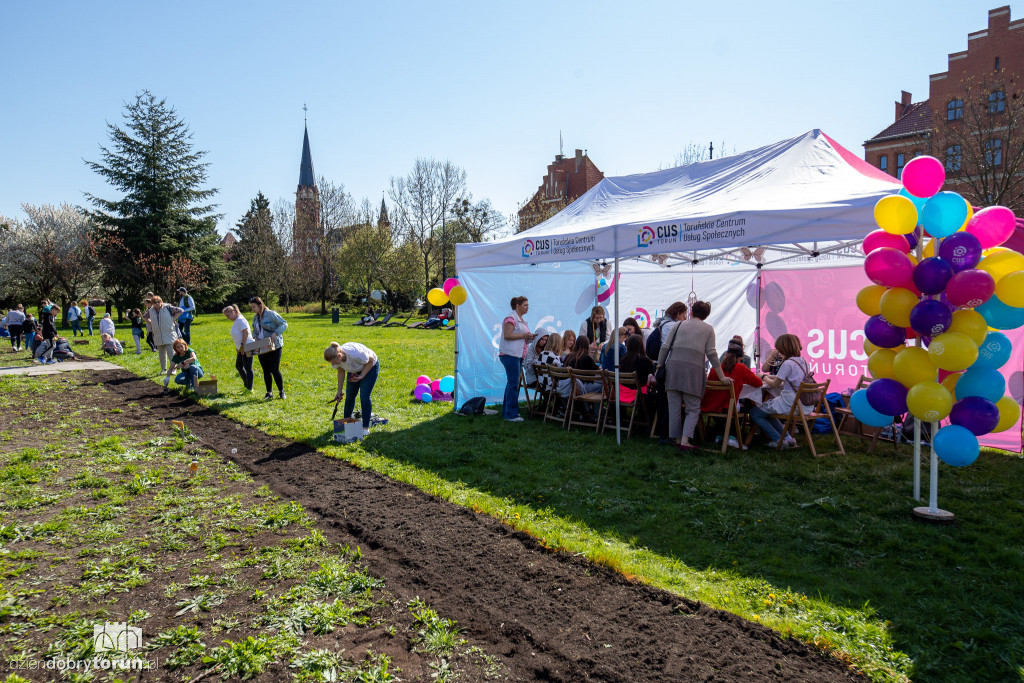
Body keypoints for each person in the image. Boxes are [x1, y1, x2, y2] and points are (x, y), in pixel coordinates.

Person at [656, 300, 729, 451]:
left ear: (691, 311)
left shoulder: (678, 325)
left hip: (673, 369)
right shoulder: (708, 329)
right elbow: (712, 354)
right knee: (693, 408)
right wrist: (721, 376)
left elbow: (664, 347)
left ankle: (675, 438)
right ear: (706, 315)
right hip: (694, 371)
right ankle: (685, 440)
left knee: (674, 406)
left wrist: (659, 366)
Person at [749, 334, 807, 449]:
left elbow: (775, 384)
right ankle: (788, 438)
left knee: (755, 413)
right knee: (768, 413)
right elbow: (780, 378)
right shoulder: (803, 362)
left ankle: (778, 440)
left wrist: (762, 377)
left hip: (790, 403)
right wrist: (764, 375)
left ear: (784, 348)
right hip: (802, 404)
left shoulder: (787, 364)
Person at [325, 341, 380, 436]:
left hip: (370, 366)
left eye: (334, 362)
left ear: (339, 355)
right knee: (350, 396)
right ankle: (346, 423)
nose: (333, 364)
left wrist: (362, 376)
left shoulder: (355, 354)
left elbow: (370, 360)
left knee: (364, 396)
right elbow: (341, 371)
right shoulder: (337, 359)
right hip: (354, 368)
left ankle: (365, 428)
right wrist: (339, 391)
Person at [498, 296, 535, 422]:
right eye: (525, 305)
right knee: (513, 384)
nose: (527, 307)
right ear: (517, 306)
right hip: (510, 355)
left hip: (517, 355)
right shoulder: (511, 319)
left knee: (512, 383)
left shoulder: (521, 320)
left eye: (528, 305)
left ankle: (507, 411)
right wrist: (523, 335)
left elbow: (521, 338)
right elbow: (508, 335)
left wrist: (529, 337)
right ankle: (511, 414)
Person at [248, 296, 288, 400]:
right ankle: (269, 392)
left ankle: (281, 391)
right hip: (261, 345)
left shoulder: (271, 314)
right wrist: (255, 337)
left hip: (274, 345)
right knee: (266, 369)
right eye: (251, 307)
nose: (252, 309)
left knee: (274, 368)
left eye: (254, 307)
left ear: (260, 305)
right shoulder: (255, 317)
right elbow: (254, 330)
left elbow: (284, 324)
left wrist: (275, 333)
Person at [143, 296, 185, 373]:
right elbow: (144, 317)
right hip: (158, 335)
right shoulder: (151, 311)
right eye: (155, 303)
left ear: (161, 301)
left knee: (171, 353)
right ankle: (164, 369)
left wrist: (173, 319)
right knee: (161, 353)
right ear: (152, 304)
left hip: (169, 333)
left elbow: (181, 310)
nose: (157, 304)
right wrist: (150, 323)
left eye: (158, 302)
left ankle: (173, 369)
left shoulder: (168, 307)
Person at [224, 305, 253, 392]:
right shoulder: (237, 320)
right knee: (239, 366)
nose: (227, 318)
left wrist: (243, 345)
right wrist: (238, 347)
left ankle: (249, 388)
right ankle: (246, 384)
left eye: (228, 315)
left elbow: (245, 332)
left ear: (233, 312)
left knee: (247, 367)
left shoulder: (240, 320)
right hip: (241, 347)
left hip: (247, 346)